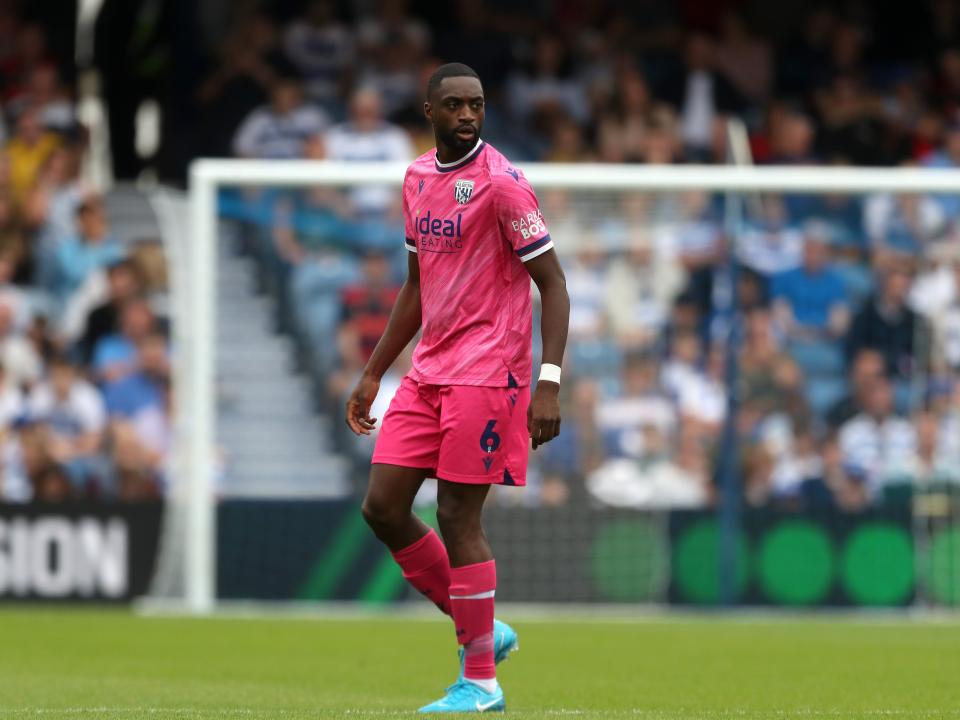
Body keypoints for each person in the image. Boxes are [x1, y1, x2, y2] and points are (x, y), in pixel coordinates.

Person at [345, 63, 569, 713]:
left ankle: (482, 682)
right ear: (430, 112)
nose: (468, 114)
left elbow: (553, 284)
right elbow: (417, 284)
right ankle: (481, 629)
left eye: (476, 104)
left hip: (489, 371)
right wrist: (374, 370)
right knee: (383, 508)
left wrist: (548, 383)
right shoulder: (417, 178)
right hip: (428, 372)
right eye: (454, 105)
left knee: (456, 515)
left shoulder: (503, 185)